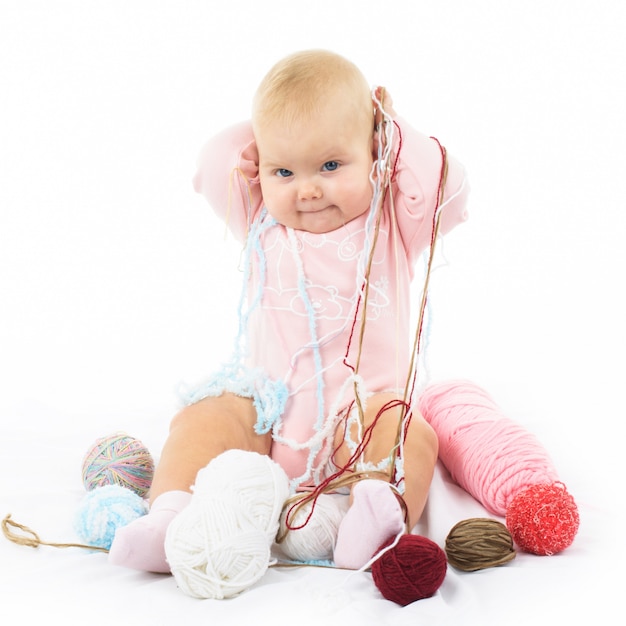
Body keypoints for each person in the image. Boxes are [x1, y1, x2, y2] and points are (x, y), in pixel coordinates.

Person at [108, 49, 469, 575]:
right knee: (207, 414)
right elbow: (214, 162)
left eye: (330, 164)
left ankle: (373, 518)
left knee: (406, 431)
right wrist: (272, 132)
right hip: (268, 418)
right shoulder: (260, 219)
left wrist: (388, 124)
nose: (308, 188)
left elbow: (447, 186)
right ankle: (170, 518)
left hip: (358, 422)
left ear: (374, 153)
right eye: (284, 170)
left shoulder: (390, 225)